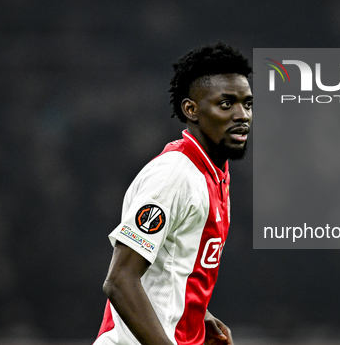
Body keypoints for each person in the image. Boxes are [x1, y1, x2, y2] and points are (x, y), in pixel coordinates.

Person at [93, 42, 253, 345]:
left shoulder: (215, 175)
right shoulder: (173, 176)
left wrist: (198, 318)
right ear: (191, 109)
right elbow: (120, 280)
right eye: (226, 104)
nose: (242, 114)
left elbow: (172, 265)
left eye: (247, 103)